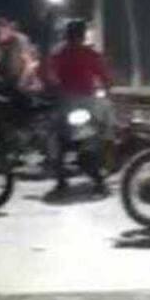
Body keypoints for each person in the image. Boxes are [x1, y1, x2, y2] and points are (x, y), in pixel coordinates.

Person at [43, 18, 114, 195]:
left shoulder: (59, 54)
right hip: (87, 102)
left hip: (66, 102)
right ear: (82, 35)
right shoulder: (89, 53)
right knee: (105, 129)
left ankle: (61, 179)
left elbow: (47, 74)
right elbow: (105, 76)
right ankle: (100, 175)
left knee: (55, 137)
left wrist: (52, 86)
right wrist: (107, 86)